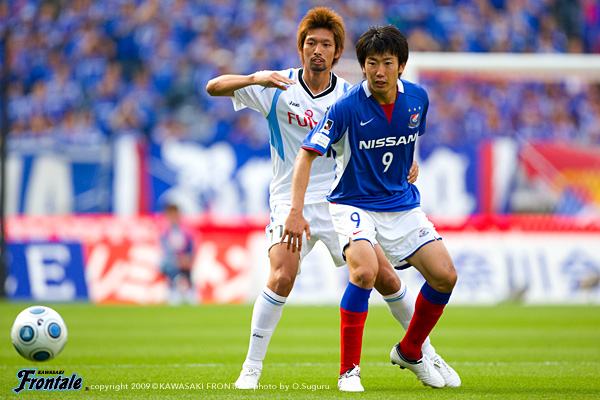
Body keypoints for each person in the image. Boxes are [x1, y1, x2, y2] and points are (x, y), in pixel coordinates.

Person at [206, 8, 459, 392]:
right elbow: (214, 87)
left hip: (342, 198)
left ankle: (425, 352)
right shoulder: (277, 86)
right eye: (311, 43)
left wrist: (406, 163)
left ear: (338, 52)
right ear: (301, 48)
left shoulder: (349, 95)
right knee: (282, 275)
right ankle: (251, 368)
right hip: (290, 198)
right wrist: (254, 78)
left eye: (326, 44)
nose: (317, 50)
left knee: (385, 277)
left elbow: (390, 133)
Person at [282, 25, 459, 389]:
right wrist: (295, 212)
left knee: (445, 276)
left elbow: (406, 138)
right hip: (353, 203)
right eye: (372, 63)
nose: (379, 71)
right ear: (362, 66)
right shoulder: (346, 107)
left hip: (401, 203)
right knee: (364, 272)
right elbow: (305, 155)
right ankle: (349, 371)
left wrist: (410, 162)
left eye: (387, 63)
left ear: (401, 66)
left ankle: (410, 350)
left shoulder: (418, 99)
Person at [159, 203, 196, 304]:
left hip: (184, 260)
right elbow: (165, 250)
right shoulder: (164, 232)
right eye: (170, 214)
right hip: (170, 261)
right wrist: (177, 260)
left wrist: (188, 258)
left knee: (189, 266)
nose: (173, 216)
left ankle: (190, 291)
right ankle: (173, 290)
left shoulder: (186, 231)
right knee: (168, 265)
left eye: (175, 214)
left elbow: (191, 247)